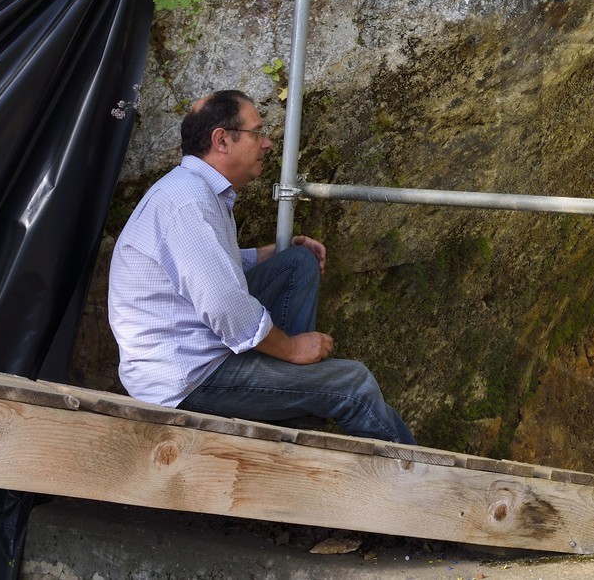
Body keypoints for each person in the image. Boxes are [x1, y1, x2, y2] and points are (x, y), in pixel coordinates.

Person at [107, 89, 415, 443]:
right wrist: (293, 349)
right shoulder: (187, 203)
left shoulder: (193, 191)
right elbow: (225, 308)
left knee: (297, 263)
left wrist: (269, 253)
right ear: (222, 140)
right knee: (353, 384)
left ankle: (293, 408)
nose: (268, 144)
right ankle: (425, 487)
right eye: (257, 133)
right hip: (186, 378)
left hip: (197, 350)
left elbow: (207, 269)